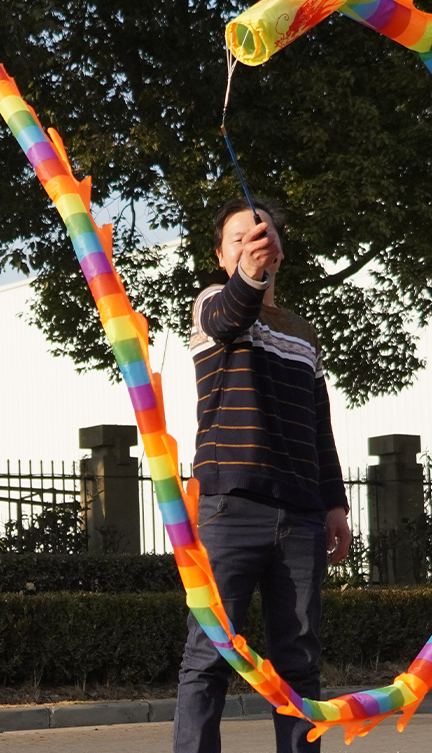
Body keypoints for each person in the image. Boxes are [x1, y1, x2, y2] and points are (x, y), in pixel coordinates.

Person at [173, 197, 351, 753]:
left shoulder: (304, 333)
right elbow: (230, 317)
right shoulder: (212, 305)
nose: (252, 243)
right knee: (209, 655)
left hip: (300, 515)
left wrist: (335, 505)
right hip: (230, 506)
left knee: (298, 661)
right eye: (238, 239)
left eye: (263, 234)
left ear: (281, 248)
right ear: (222, 256)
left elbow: (320, 426)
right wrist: (247, 278)